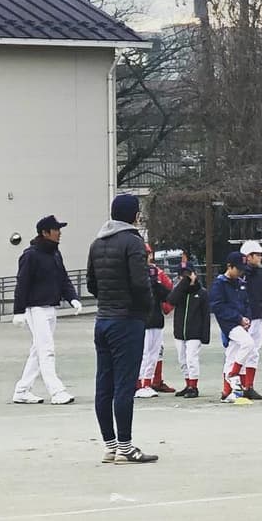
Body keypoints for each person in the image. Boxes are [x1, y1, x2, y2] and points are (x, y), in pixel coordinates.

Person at [86, 194, 156, 463]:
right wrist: (145, 308)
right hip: (127, 320)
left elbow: (92, 283)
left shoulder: (97, 243)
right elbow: (141, 283)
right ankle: (126, 447)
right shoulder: (133, 241)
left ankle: (110, 445)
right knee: (125, 385)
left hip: (103, 319)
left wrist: (108, 298)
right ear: (133, 215)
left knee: (104, 384)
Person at [11, 214, 81, 405]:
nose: (59, 233)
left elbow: (63, 278)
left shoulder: (55, 254)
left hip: (50, 308)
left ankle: (22, 390)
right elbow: (22, 284)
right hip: (35, 309)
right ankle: (56, 391)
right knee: (46, 350)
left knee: (38, 349)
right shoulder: (30, 255)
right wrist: (18, 311)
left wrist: (73, 298)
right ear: (45, 232)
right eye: (56, 230)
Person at [208, 253, 255, 401]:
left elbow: (246, 303)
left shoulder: (240, 283)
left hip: (240, 323)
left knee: (231, 355)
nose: (241, 272)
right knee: (248, 344)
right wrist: (238, 318)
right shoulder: (219, 284)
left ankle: (227, 392)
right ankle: (233, 374)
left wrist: (247, 318)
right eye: (238, 269)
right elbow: (217, 306)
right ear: (229, 266)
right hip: (229, 324)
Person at [135, 246, 176, 399]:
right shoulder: (135, 273)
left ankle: (147, 383)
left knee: (153, 354)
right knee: (144, 354)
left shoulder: (155, 273)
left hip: (156, 320)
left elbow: (167, 293)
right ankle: (140, 384)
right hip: (143, 321)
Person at [168, 262, 210, 397]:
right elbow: (171, 300)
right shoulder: (179, 292)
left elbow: (206, 315)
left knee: (192, 358)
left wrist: (205, 335)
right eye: (181, 276)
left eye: (187, 274)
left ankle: (194, 386)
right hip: (180, 333)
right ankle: (187, 384)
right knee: (182, 360)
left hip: (194, 333)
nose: (184, 278)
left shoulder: (201, 293)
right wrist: (182, 286)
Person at [240, 240, 262, 400]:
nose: (260, 258)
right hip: (247, 318)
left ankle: (249, 386)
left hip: (257, 316)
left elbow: (260, 297)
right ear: (249, 256)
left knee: (254, 352)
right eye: (257, 255)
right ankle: (240, 385)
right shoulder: (242, 275)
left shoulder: (258, 273)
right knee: (243, 351)